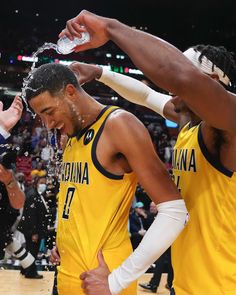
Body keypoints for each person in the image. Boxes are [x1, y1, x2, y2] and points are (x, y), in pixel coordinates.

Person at [60, 11, 236, 295]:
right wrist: (101, 73)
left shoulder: (230, 125)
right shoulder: (188, 119)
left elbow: (180, 78)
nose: (173, 90)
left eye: (189, 75)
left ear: (215, 81)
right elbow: (145, 96)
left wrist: (111, 28)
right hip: (188, 284)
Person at [25, 63, 188, 295]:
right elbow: (80, 202)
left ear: (70, 92)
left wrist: (118, 279)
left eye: (49, 112)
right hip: (66, 275)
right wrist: (65, 242)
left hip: (104, 282)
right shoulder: (70, 134)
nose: (48, 124)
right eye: (41, 116)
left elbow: (174, 212)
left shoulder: (119, 125)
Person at [0, 163, 42, 279]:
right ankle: (29, 270)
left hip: (11, 222)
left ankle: (29, 270)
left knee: (17, 247)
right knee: (18, 247)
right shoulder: (31, 193)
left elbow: (18, 205)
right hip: (17, 223)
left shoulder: (17, 188)